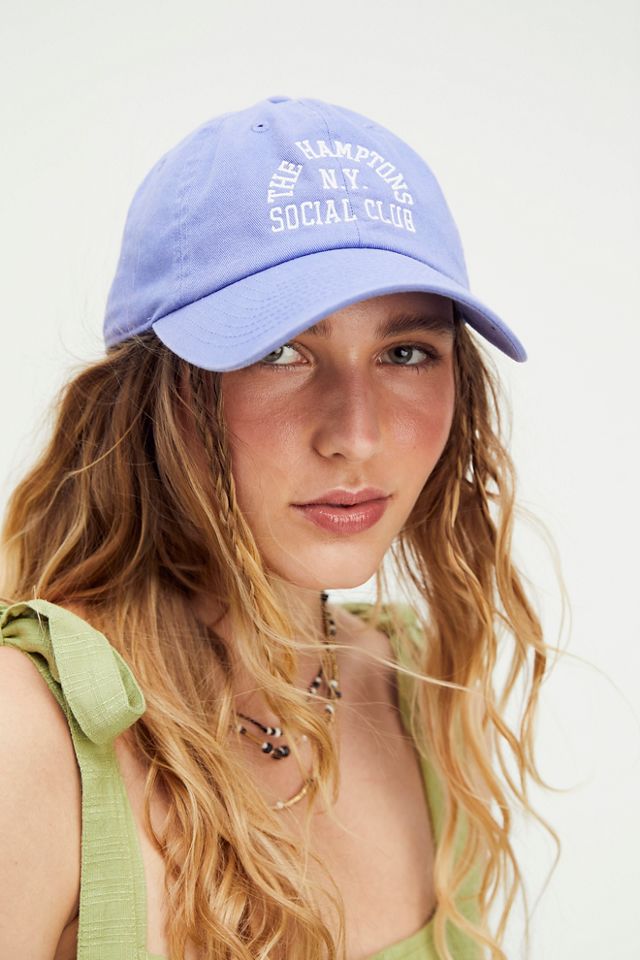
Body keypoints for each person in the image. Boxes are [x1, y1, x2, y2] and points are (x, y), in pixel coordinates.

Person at [0, 96, 562, 960]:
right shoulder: (32, 734)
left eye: (405, 353)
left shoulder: (419, 689)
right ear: (150, 397)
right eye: (279, 352)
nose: (356, 435)